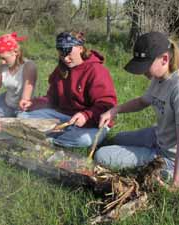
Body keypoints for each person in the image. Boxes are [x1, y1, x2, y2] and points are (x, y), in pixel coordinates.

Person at [95, 32, 179, 189]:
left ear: (165, 59)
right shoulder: (159, 77)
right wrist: (115, 110)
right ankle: (148, 151)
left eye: (146, 65)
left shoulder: (177, 87)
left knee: (102, 156)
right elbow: (142, 102)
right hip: (158, 135)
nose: (142, 72)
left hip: (170, 157)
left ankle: (164, 170)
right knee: (118, 138)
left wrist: (176, 183)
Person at [18, 31, 117, 148]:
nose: (66, 59)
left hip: (93, 123)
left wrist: (86, 115)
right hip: (65, 117)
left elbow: (107, 105)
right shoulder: (61, 68)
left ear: (80, 48)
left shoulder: (96, 70)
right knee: (22, 117)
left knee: (84, 139)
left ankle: (49, 140)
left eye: (69, 53)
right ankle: (51, 136)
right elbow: (51, 99)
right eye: (61, 54)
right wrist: (33, 103)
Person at [0, 32, 37, 117]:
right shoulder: (2, 67)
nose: (2, 62)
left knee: (22, 119)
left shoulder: (28, 67)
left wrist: (22, 107)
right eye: (0, 58)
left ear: (15, 52)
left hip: (23, 107)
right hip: (7, 102)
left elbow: (26, 97)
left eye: (4, 58)